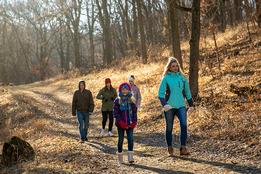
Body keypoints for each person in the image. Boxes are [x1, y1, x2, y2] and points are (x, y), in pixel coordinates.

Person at [158, 57, 194, 156]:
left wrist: (191, 105)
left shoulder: (183, 78)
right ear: (169, 68)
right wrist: (164, 104)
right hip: (169, 107)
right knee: (169, 128)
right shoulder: (166, 79)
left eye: (176, 66)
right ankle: (170, 148)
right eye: (173, 66)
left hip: (181, 106)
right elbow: (160, 94)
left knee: (184, 125)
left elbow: (187, 92)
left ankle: (183, 148)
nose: (175, 68)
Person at [113, 82, 137, 164]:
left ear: (129, 91)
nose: (125, 91)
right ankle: (120, 156)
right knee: (121, 140)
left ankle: (130, 156)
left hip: (130, 123)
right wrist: (121, 122)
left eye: (126, 90)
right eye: (123, 90)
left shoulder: (132, 101)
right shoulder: (117, 101)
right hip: (121, 124)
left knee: (130, 139)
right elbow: (115, 112)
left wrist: (134, 122)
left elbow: (134, 112)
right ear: (120, 91)